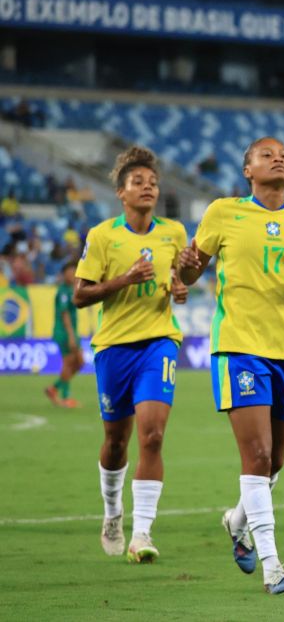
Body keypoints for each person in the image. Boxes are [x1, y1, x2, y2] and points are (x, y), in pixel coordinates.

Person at [177, 137, 284, 595]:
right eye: (267, 154)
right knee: (258, 457)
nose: (279, 158)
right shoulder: (223, 212)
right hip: (238, 346)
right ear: (247, 169)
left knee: (275, 463)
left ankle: (236, 520)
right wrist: (188, 266)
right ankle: (273, 566)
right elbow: (191, 271)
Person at [73, 146, 189, 562]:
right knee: (115, 442)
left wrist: (180, 289)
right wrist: (123, 280)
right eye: (138, 182)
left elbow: (179, 281)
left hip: (159, 342)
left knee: (153, 436)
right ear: (121, 193)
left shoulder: (173, 233)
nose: (148, 188)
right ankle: (111, 512)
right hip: (114, 348)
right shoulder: (103, 236)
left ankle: (141, 533)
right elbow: (80, 295)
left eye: (153, 183)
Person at [45, 261, 82, 408]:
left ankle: (54, 388)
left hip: (72, 331)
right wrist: (71, 336)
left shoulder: (72, 289)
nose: (72, 274)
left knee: (80, 362)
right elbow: (65, 314)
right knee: (69, 362)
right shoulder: (63, 292)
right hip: (64, 332)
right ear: (64, 274)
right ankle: (66, 397)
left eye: (74, 272)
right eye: (69, 272)